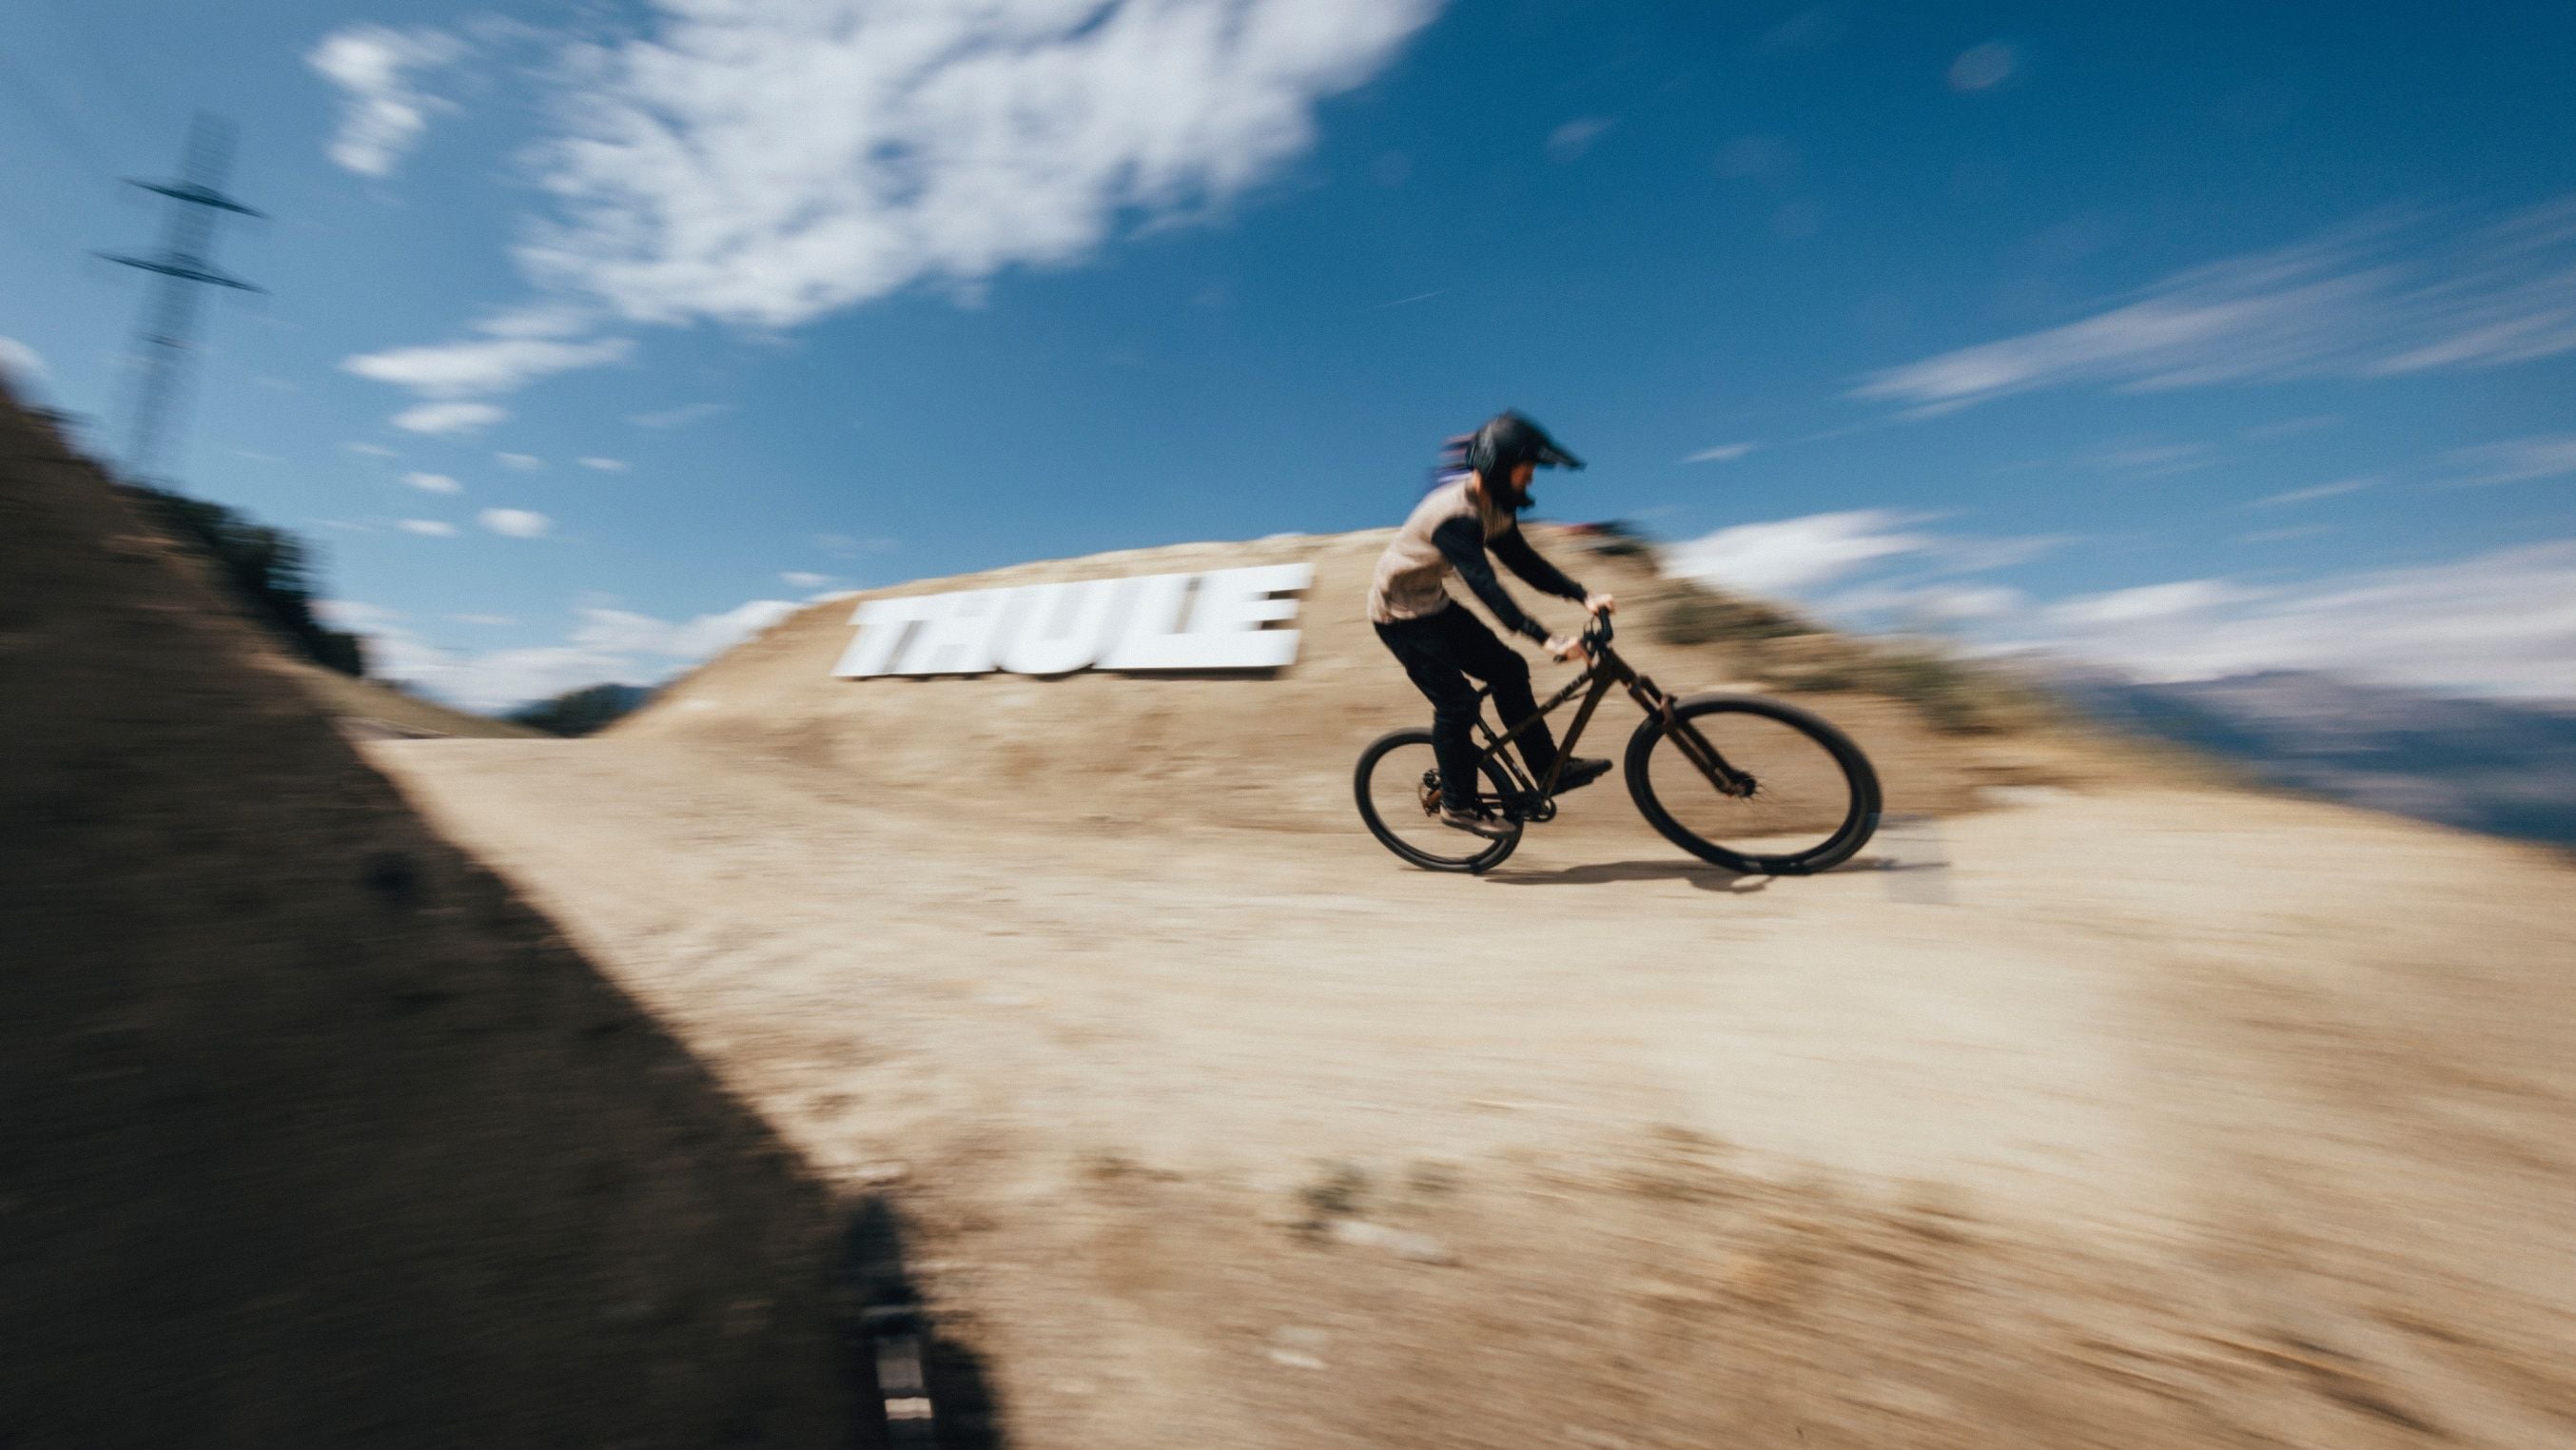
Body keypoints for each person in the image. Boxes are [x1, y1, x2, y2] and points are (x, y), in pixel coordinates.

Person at [1367, 410, 1616, 837]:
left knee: (1510, 670)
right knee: (1458, 705)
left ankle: (1545, 768)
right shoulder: (1456, 517)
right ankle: (1457, 805)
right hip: (1399, 617)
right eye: (1527, 469)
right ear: (1501, 470)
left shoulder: (1495, 507)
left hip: (1433, 605)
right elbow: (1486, 585)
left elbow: (1522, 562)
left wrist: (1581, 594)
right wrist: (1546, 638)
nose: (1532, 479)